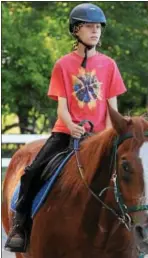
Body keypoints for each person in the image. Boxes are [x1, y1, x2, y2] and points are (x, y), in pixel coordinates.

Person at [5, 3, 127, 253]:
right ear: (75, 30)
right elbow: (62, 106)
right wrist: (71, 126)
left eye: (98, 27)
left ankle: (135, 233)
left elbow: (112, 108)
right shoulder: (63, 65)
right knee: (32, 172)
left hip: (100, 137)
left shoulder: (109, 65)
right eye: (89, 27)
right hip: (65, 133)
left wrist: (104, 136)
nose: (95, 31)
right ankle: (20, 226)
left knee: (131, 177)